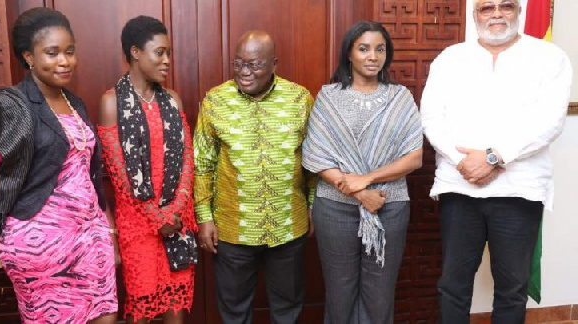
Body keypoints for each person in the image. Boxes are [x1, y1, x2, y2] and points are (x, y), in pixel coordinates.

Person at [420, 0, 572, 322]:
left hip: (519, 191)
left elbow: (550, 121)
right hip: (459, 187)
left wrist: (493, 157)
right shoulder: (451, 59)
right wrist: (466, 161)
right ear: (475, 15)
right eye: (487, 8)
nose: (497, 14)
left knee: (512, 287)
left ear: (519, 11)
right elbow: (432, 118)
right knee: (453, 285)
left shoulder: (549, 58)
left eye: (506, 6)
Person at [0, 7, 118, 323]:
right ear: (28, 56)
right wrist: (32, 195)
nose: (64, 61)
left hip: (89, 242)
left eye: (69, 52)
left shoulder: (75, 102)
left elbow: (88, 173)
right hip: (40, 245)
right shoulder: (8, 104)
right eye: (52, 53)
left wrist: (107, 229)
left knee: (105, 316)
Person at [302, 21, 423, 324]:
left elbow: (415, 158)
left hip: (389, 205)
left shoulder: (400, 98)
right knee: (340, 292)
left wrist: (366, 180)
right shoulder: (329, 97)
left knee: (379, 294)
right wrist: (359, 192)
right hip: (334, 208)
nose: (373, 56)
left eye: (380, 49)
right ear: (349, 54)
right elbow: (315, 154)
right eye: (364, 48)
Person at [193, 30, 316, 323]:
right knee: (235, 312)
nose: (244, 73)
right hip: (232, 229)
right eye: (238, 64)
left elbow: (314, 159)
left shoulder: (300, 99)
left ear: (274, 64)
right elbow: (202, 162)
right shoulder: (215, 100)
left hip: (289, 225)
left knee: (288, 309)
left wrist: (313, 205)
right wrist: (203, 216)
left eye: (254, 65)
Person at [97, 15, 197, 324]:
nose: (167, 60)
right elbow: (120, 175)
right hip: (138, 226)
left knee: (175, 310)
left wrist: (175, 211)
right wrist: (156, 218)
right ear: (135, 52)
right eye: (160, 52)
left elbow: (186, 162)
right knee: (140, 311)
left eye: (169, 53)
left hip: (177, 219)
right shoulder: (111, 102)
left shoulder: (173, 100)